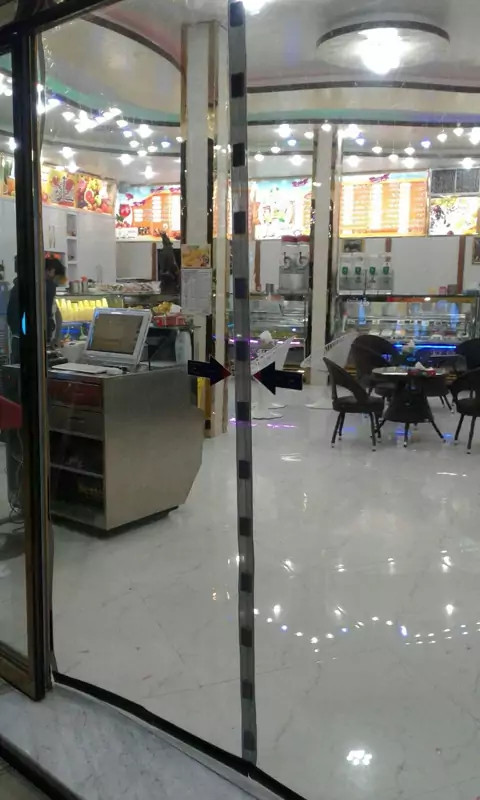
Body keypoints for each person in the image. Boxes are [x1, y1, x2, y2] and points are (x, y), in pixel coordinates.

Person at [7, 255, 66, 362]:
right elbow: (50, 315)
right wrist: (53, 338)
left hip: (18, 339)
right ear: (51, 270)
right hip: (34, 341)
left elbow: (12, 317)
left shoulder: (19, 285)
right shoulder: (45, 286)